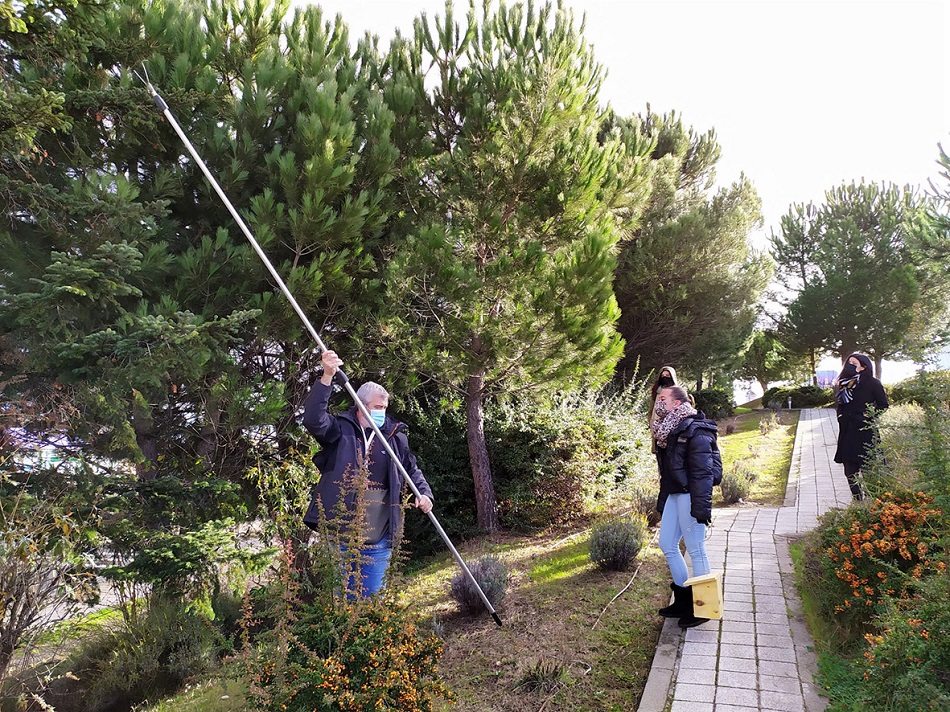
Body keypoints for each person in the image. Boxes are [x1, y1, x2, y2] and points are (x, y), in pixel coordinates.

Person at [302, 349, 434, 597]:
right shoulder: (340, 430)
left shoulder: (395, 437)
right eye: (377, 406)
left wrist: (424, 494)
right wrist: (327, 376)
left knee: (374, 600)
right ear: (360, 404)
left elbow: (412, 470)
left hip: (378, 538)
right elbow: (313, 419)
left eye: (384, 407)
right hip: (339, 536)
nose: (382, 411)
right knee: (341, 601)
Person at [652, 385, 722, 628]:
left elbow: (704, 473)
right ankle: (683, 600)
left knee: (696, 548)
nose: (658, 404)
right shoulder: (669, 429)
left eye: (663, 399)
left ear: (677, 403)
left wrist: (701, 508)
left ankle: (703, 608)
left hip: (690, 494)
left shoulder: (696, 429)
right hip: (674, 492)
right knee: (667, 544)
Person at [833, 352, 888, 500]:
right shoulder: (843, 383)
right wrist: (840, 417)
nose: (850, 365)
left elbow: (883, 405)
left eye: (854, 363)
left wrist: (870, 415)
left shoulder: (873, 383)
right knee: (849, 470)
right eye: (848, 362)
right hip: (847, 430)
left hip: (865, 431)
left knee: (868, 466)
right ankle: (857, 499)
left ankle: (873, 500)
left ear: (863, 367)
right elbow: (841, 405)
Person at [648, 366, 679, 452]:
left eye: (668, 375)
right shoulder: (656, 391)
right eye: (663, 375)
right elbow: (651, 411)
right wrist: (651, 423)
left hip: (673, 428)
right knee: (659, 454)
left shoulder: (678, 392)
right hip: (657, 428)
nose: (665, 377)